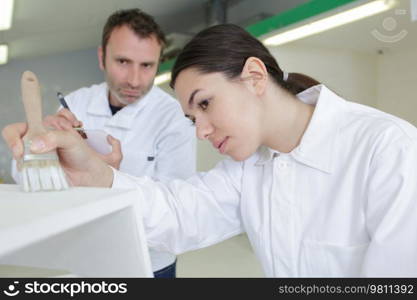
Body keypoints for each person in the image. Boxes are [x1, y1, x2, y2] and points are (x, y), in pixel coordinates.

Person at [3, 24, 417, 277]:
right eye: (191, 117)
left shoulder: (387, 149)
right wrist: (91, 172)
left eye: (204, 103)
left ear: (254, 76)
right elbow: (180, 211)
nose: (200, 130)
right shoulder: (251, 166)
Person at [12, 9, 196, 278]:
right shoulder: (75, 104)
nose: (134, 79)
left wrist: (109, 176)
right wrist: (39, 149)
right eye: (123, 61)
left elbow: (176, 205)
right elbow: (35, 179)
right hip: (87, 253)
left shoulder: (174, 116)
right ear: (102, 57)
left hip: (150, 261)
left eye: (147, 66)